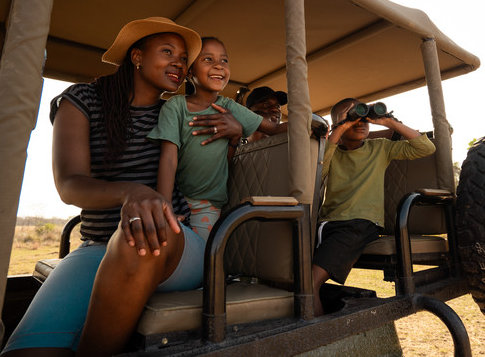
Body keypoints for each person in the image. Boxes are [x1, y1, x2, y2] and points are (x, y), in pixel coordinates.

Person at [2, 17, 242, 357]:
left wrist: (237, 130)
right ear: (137, 56)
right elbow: (69, 185)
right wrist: (131, 191)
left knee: (140, 233)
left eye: (183, 58)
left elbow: (227, 152)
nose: (178, 62)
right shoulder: (84, 100)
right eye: (167, 51)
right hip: (97, 246)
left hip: (174, 243)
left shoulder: (176, 113)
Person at [149, 38, 287, 240]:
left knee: (202, 260)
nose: (218, 66)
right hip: (178, 199)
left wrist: (309, 123)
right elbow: (168, 159)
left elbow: (275, 129)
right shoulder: (175, 107)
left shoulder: (230, 106)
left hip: (209, 204)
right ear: (190, 71)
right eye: (208, 59)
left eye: (224, 61)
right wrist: (164, 204)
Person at [312, 98, 435, 316]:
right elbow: (316, 173)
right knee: (295, 280)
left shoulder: (380, 148)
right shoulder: (330, 151)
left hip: (359, 225)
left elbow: (426, 148)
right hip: (326, 224)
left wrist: (390, 123)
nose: (359, 122)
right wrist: (337, 132)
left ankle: (316, 341)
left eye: (364, 118)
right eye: (351, 117)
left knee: (309, 285)